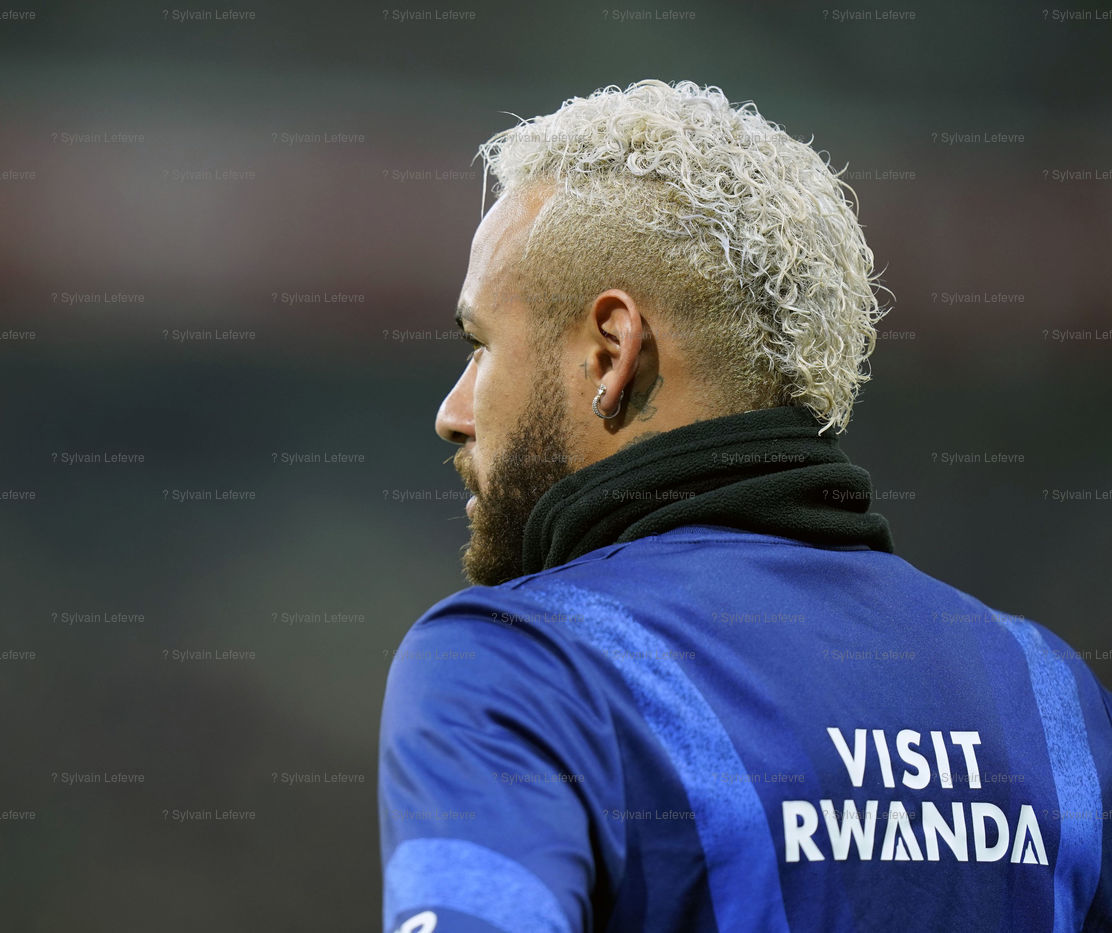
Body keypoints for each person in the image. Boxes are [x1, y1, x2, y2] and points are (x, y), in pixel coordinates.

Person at [377, 79, 1112, 933]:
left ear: (611, 353)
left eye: (480, 346)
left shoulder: (517, 668)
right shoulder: (1052, 695)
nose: (453, 412)